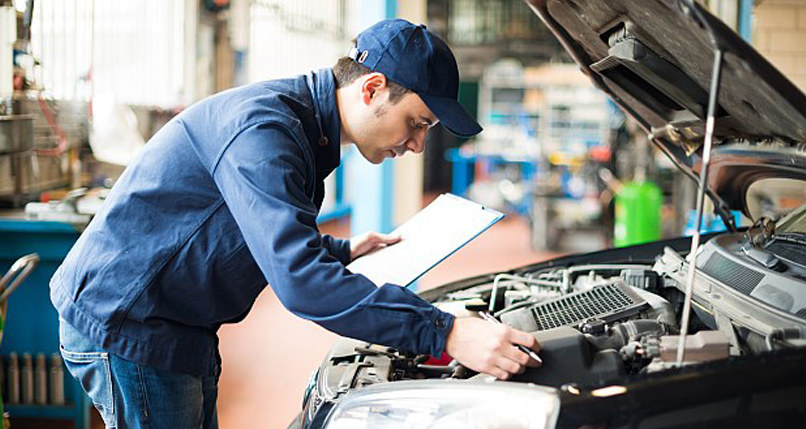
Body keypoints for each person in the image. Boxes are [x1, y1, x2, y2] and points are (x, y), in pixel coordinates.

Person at [50, 19, 540, 428]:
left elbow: (245, 226)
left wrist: (340, 250)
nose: (416, 146)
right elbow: (301, 285)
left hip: (179, 321)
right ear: (372, 89)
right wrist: (448, 333)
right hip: (130, 321)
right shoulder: (265, 130)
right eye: (418, 123)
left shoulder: (308, 132)